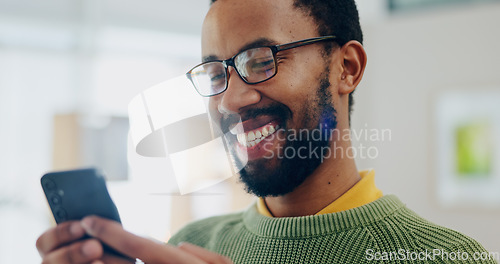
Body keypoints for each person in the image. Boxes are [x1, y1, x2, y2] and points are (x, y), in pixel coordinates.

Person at [36, 0, 496, 263]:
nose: (230, 100)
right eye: (216, 73)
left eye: (261, 61)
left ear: (347, 68)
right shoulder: (192, 247)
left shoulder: (448, 259)